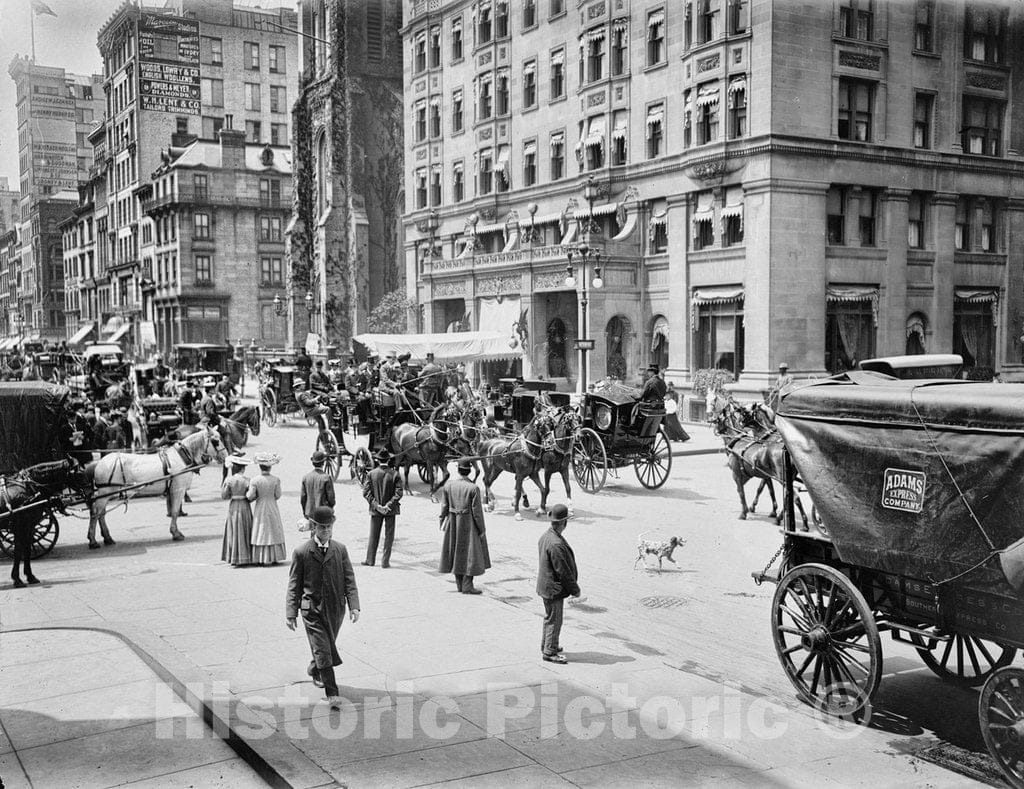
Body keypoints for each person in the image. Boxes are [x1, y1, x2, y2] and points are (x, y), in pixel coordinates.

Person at [286, 505, 360, 708]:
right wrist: (291, 612)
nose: (326, 531)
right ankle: (333, 693)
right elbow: (294, 584)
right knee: (323, 650)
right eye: (322, 528)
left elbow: (349, 579)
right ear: (313, 528)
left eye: (329, 527)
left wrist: (354, 605)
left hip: (336, 609)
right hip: (312, 610)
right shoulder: (302, 552)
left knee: (325, 648)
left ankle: (314, 668)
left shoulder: (339, 549)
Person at [438, 457, 490, 594]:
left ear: (459, 471)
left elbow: (444, 506)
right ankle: (468, 585)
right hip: (468, 523)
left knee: (455, 551)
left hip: (453, 521)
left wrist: (442, 520)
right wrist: (481, 529)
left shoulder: (448, 485)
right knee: (470, 553)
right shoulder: (473, 488)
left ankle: (459, 584)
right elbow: (477, 512)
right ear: (469, 472)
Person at [536, 503, 580, 664]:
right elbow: (563, 571)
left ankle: (547, 644)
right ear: (564, 523)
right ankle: (550, 651)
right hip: (553, 588)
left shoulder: (546, 536)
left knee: (550, 617)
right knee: (555, 620)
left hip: (546, 585)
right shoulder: (556, 543)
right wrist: (575, 589)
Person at [362, 449, 403, 568]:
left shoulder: (371, 474)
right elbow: (399, 493)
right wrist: (388, 505)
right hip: (391, 510)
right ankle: (385, 562)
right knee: (389, 536)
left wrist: (377, 506)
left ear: (377, 460)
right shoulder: (395, 474)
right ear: (388, 460)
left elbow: (366, 493)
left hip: (376, 510)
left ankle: (370, 560)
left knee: (373, 535)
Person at [247, 452, 286, 565]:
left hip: (260, 506)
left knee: (261, 529)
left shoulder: (255, 480)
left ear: (260, 467)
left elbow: (250, 495)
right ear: (270, 467)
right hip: (272, 505)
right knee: (273, 529)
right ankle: (274, 556)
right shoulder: (275, 480)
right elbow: (278, 495)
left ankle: (260, 557)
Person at [221, 454, 253, 567]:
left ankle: (233, 556)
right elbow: (251, 496)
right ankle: (246, 556)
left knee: (233, 530)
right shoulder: (247, 480)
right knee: (245, 529)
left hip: (233, 506)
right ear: (243, 469)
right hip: (244, 505)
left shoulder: (229, 480)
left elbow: (224, 495)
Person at [301, 451, 336, 520]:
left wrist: (305, 512)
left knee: (313, 530)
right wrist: (331, 509)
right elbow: (331, 498)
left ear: (313, 463)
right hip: (323, 513)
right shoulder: (326, 477)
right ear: (323, 463)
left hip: (310, 512)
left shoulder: (306, 477)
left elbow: (303, 498)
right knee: (323, 530)